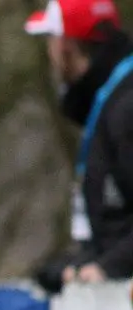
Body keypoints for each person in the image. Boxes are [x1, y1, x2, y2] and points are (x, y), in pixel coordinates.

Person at [24, 0, 133, 291]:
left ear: (64, 47)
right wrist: (81, 263)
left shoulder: (125, 109)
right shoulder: (108, 105)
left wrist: (108, 268)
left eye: (49, 39)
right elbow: (118, 224)